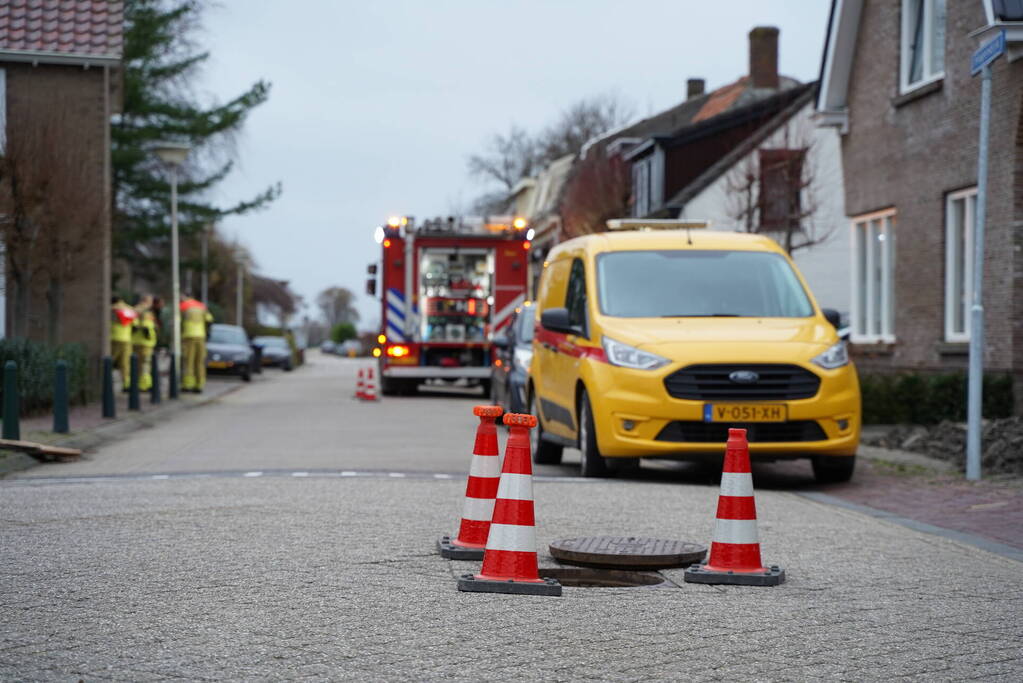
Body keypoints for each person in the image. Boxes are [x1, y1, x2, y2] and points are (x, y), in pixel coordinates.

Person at [180, 293, 213, 392]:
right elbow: (209, 320)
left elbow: (178, 322)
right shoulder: (201, 306)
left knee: (188, 361)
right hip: (201, 336)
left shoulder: (183, 306)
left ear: (185, 297)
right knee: (199, 362)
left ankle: (188, 385)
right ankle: (199, 385)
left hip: (189, 336)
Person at [110, 296, 137, 391]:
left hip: (114, 337)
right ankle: (126, 384)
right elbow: (135, 323)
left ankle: (106, 381)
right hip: (126, 338)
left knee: (109, 361)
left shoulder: (111, 308)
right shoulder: (128, 308)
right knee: (125, 363)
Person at [132, 294, 158, 391]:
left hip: (138, 341)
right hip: (144, 342)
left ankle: (141, 384)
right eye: (150, 301)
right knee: (145, 365)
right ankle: (144, 385)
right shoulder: (144, 311)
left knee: (139, 364)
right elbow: (144, 326)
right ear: (146, 301)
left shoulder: (137, 309)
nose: (151, 303)